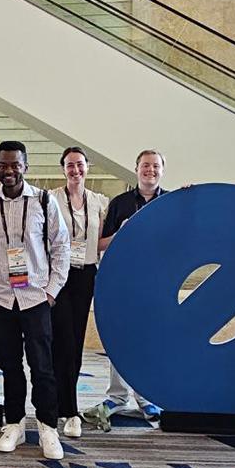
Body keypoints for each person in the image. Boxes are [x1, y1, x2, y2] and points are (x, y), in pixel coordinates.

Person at [0, 140, 70, 460]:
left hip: (35, 297)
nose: (9, 170)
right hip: (1, 297)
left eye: (15, 164)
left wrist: (52, 290)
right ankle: (14, 423)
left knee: (42, 366)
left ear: (26, 166)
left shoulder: (44, 201)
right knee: (9, 365)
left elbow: (61, 248)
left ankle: (47, 427)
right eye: (3, 164)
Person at [82, 149, 167, 430]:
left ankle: (146, 397)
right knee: (120, 340)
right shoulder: (119, 203)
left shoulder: (170, 202)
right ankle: (117, 397)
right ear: (136, 169)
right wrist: (123, 234)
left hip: (155, 284)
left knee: (148, 342)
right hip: (122, 282)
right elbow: (99, 244)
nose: (150, 170)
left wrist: (188, 197)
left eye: (155, 166)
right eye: (145, 165)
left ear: (162, 170)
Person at [49, 147, 109, 439]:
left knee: (75, 340)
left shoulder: (100, 202)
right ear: (63, 169)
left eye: (80, 165)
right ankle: (68, 409)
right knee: (63, 341)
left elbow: (99, 242)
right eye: (70, 165)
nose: (76, 170)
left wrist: (128, 229)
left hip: (86, 276)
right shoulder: (50, 198)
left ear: (88, 167)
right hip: (59, 277)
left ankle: (67, 407)